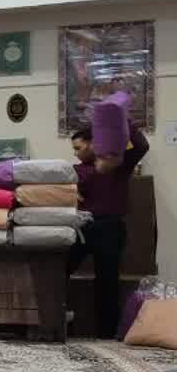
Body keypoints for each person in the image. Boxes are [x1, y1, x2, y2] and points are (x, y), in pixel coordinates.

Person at [71, 118, 150, 338]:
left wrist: (121, 119)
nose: (75, 153)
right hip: (82, 228)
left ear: (92, 143)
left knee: (107, 284)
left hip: (109, 229)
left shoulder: (117, 164)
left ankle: (106, 335)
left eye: (78, 148)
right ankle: (59, 322)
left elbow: (142, 146)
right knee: (58, 268)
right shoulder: (76, 170)